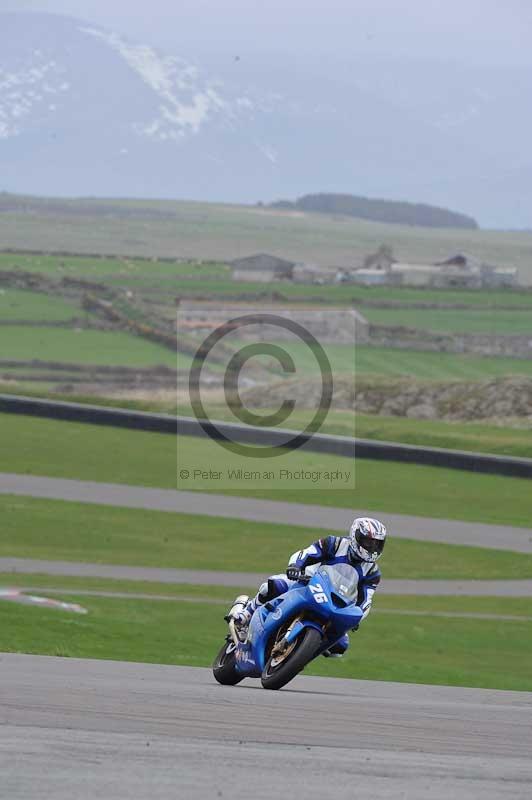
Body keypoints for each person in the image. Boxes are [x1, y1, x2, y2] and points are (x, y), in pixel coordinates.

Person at [227, 517, 386, 657]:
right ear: (355, 535)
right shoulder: (334, 543)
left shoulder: (372, 572)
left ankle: (300, 653)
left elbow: (366, 601)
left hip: (336, 604)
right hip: (306, 583)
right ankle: (246, 615)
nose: (371, 548)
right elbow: (308, 553)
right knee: (274, 584)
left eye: (376, 544)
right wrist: (295, 566)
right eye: (368, 542)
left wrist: (357, 617)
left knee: (340, 644)